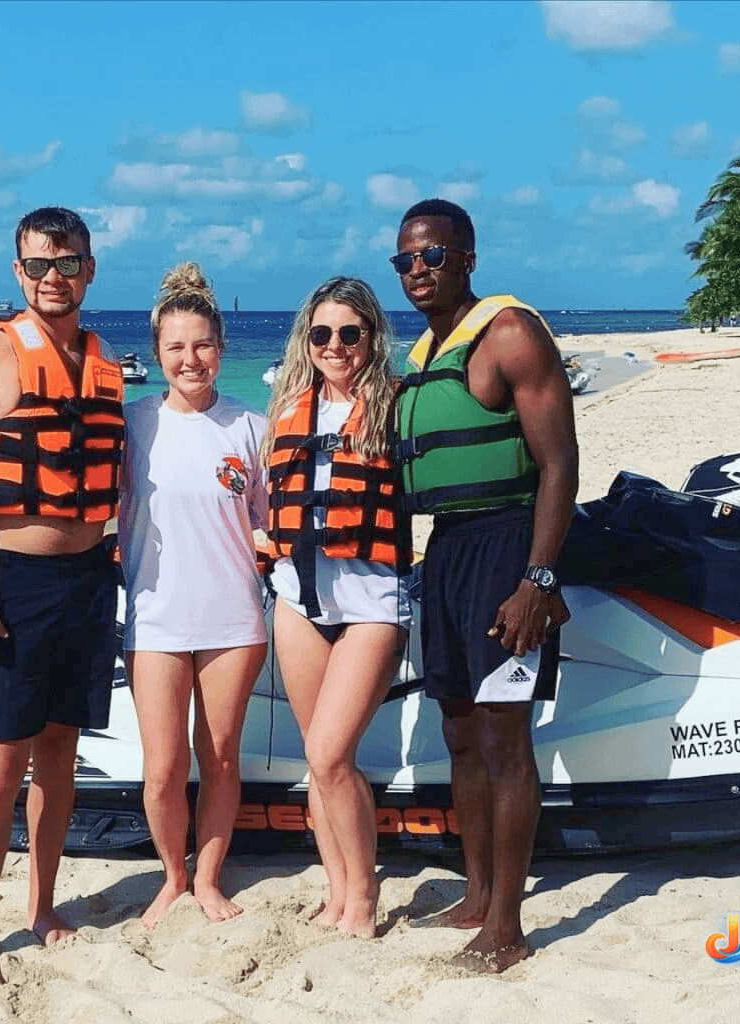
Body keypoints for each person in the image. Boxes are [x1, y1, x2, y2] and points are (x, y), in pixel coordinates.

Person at [0, 207, 124, 986]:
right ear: (20, 272)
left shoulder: (105, 359)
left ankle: (42, 908)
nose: (55, 276)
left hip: (86, 583)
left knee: (59, 758)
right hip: (9, 581)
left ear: (89, 268)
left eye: (69, 262)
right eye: (41, 264)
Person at [392, 199, 578, 972]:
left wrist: (537, 578)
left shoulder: (509, 334)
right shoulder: (424, 353)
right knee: (460, 734)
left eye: (432, 255)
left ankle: (507, 927)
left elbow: (560, 465)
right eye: (404, 260)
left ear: (468, 256)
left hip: (508, 547)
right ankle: (474, 895)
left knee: (505, 742)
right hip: (449, 554)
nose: (418, 271)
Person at [118, 263, 268, 929]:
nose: (190, 359)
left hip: (234, 616)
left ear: (221, 348)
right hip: (153, 616)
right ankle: (172, 877)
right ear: (156, 354)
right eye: (176, 347)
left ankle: (208, 878)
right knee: (162, 767)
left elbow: (270, 524)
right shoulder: (130, 426)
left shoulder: (251, 428)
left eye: (202, 344)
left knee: (220, 757)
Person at [262, 277, 411, 938]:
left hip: (371, 605)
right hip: (298, 602)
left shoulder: (395, 407)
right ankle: (338, 891)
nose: (335, 346)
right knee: (316, 763)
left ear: (371, 337)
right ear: (307, 340)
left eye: (350, 333)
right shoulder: (286, 408)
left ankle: (366, 893)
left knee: (329, 756)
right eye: (322, 333)